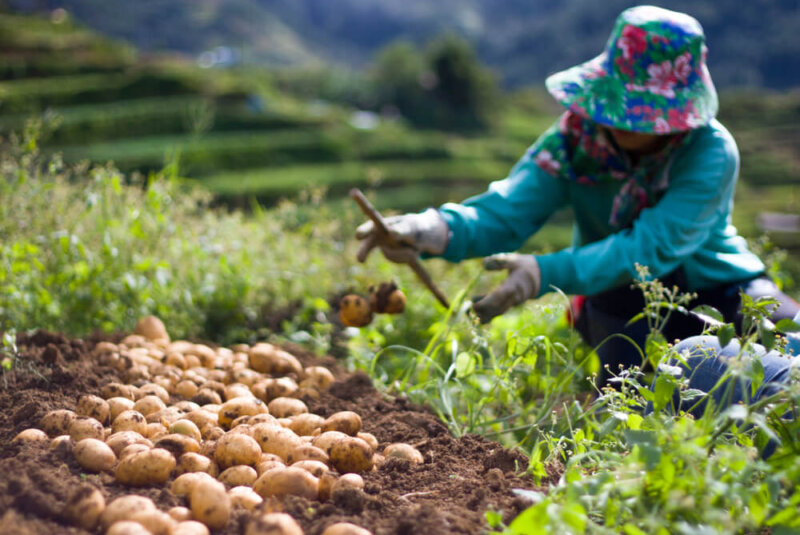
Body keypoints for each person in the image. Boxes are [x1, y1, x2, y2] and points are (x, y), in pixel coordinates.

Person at [355, 5, 800, 387]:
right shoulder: (575, 138)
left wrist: (541, 273)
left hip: (719, 287)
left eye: (641, 113)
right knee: (634, 393)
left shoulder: (709, 152)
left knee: (787, 348)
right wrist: (432, 229)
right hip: (619, 295)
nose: (625, 123)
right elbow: (510, 209)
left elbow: (650, 249)